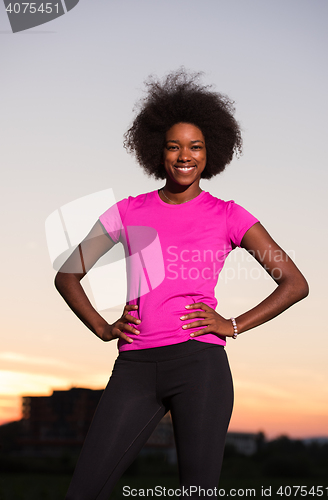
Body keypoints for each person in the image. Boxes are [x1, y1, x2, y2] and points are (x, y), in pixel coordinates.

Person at [55, 69, 309, 500]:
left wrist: (232, 324)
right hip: (134, 367)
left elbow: (294, 283)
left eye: (196, 146)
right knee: (84, 491)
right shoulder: (128, 210)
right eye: (174, 146)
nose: (184, 155)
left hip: (200, 368)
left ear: (211, 152)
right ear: (159, 151)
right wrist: (101, 327)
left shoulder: (228, 215)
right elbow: (68, 274)